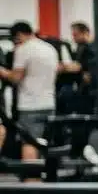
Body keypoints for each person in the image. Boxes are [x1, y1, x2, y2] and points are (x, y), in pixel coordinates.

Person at [0, 21, 59, 162]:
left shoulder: (24, 49)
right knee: (43, 142)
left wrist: (2, 71)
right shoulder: (50, 49)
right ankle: (42, 173)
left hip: (30, 106)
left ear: (19, 35)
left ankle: (30, 175)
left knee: (29, 142)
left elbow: (16, 77)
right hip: (49, 104)